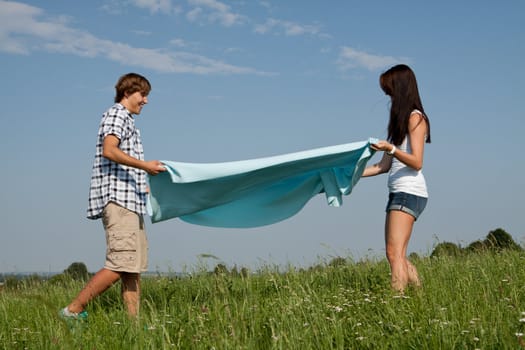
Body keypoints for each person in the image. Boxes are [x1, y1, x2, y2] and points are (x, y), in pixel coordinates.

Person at [60, 73, 166, 320]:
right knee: (120, 263)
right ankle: (73, 310)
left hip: (130, 201)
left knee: (132, 269)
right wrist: (145, 166)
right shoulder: (117, 114)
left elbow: (124, 163)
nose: (146, 101)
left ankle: (134, 329)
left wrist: (146, 183)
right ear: (128, 93)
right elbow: (109, 150)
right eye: (143, 94)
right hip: (119, 202)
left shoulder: (128, 120)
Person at [362, 64, 431, 292]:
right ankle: (421, 297)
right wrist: (352, 175)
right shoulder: (400, 123)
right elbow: (383, 166)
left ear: (400, 89)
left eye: (390, 90)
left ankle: (397, 304)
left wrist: (391, 148)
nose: (388, 96)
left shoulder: (416, 118)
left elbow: (417, 161)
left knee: (394, 253)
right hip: (399, 192)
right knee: (397, 254)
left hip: (409, 192)